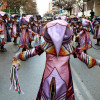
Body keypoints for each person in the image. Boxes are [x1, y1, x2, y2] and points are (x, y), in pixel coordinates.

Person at [11, 19, 100, 99]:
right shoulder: (70, 47)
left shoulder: (46, 45)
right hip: (64, 79)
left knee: (47, 94)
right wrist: (97, 62)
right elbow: (85, 58)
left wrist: (18, 55)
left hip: (48, 77)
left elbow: (30, 53)